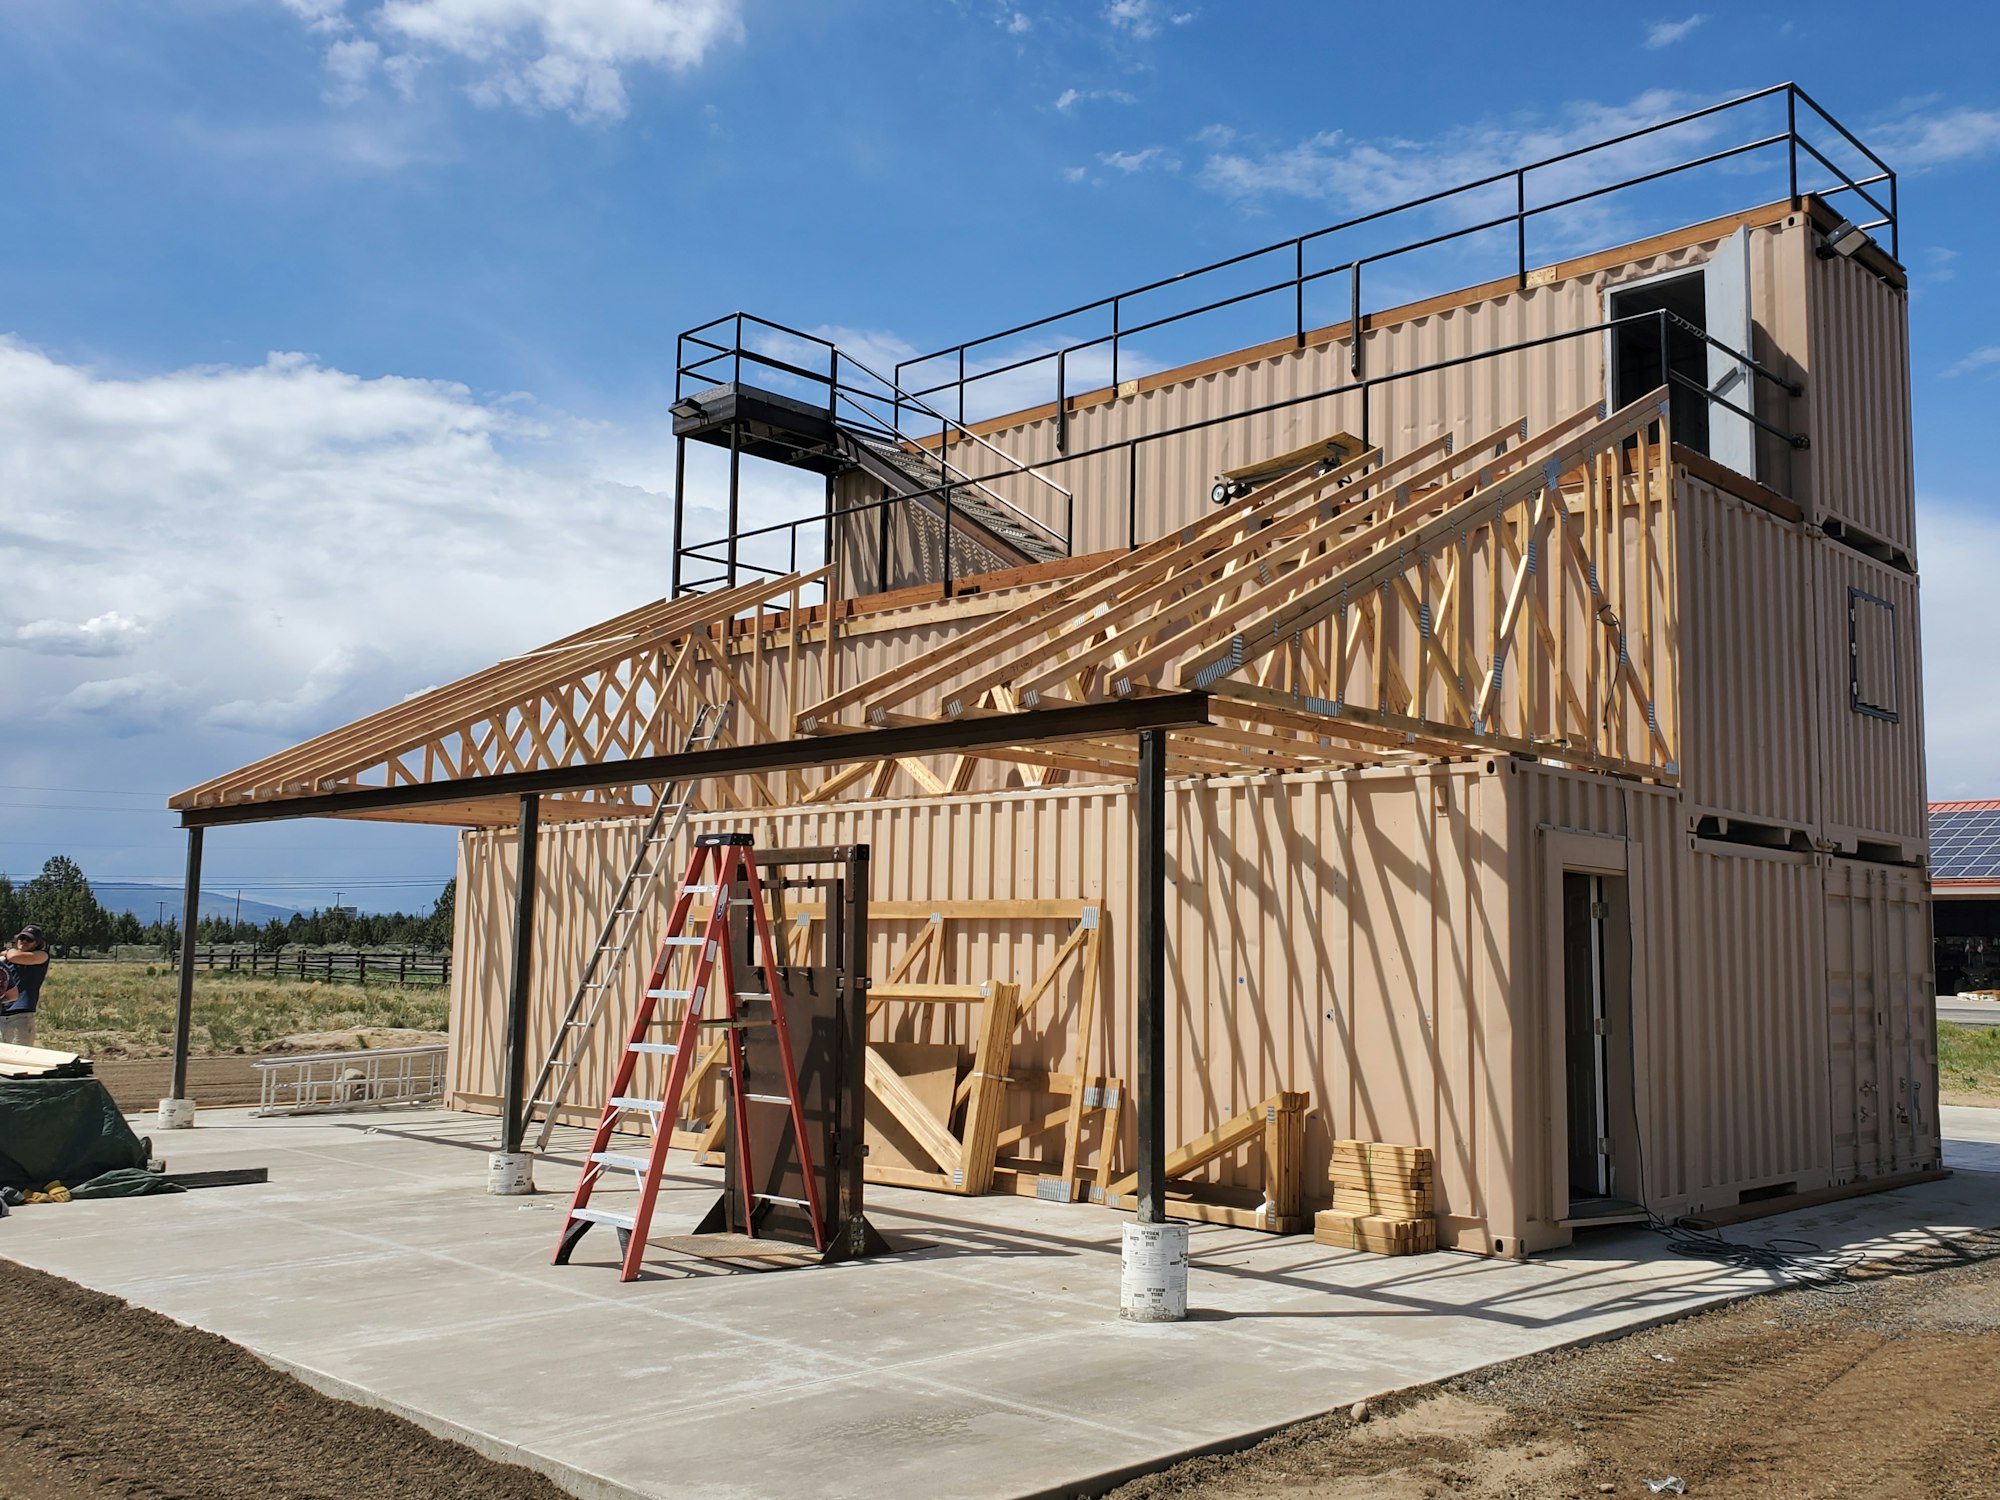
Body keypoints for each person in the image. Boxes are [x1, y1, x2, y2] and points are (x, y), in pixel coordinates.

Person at [0, 926, 51, 1047]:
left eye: (29, 940)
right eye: (22, 938)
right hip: (2, 1012)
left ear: (37, 944)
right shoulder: (6, 959)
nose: (24, 941)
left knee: (19, 1055)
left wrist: (7, 952)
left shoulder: (41, 955)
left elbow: (13, 956)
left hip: (20, 1017)